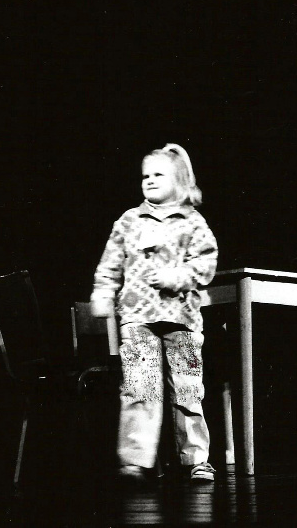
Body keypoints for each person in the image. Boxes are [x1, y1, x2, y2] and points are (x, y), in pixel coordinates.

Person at [90, 144, 218, 483]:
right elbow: (110, 264)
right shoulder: (129, 221)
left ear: (179, 180)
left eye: (158, 174)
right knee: (140, 387)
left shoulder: (192, 222)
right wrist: (103, 292)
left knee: (188, 389)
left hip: (182, 317)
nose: (149, 180)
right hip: (138, 318)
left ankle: (196, 458)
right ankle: (136, 460)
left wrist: (177, 276)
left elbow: (206, 263)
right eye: (145, 175)